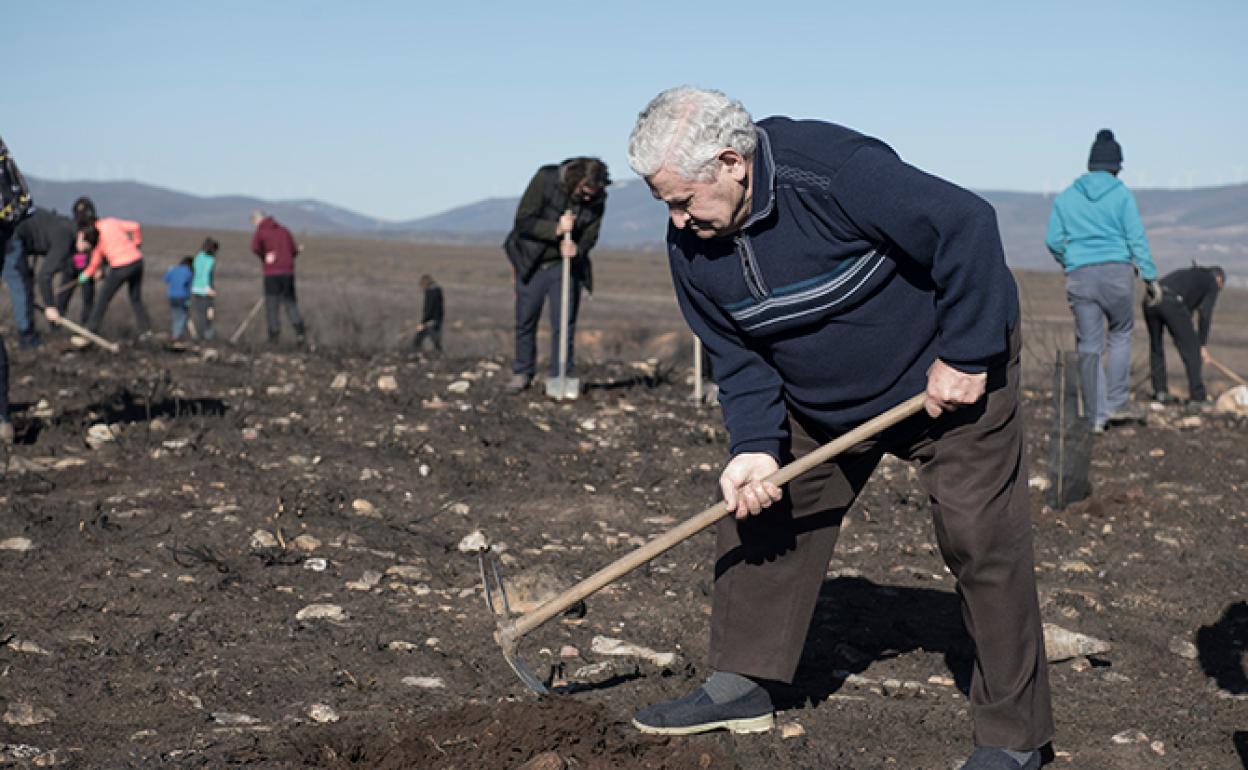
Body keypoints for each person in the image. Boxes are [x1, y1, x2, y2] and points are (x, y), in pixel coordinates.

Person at [625, 87, 1052, 770]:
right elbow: (739, 358)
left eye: (683, 200)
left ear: (732, 162)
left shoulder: (830, 171)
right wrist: (756, 450)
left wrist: (968, 352)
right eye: (664, 205)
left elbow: (966, 224)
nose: (676, 221)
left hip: (945, 376)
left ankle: (1014, 737)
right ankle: (742, 683)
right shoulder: (694, 250)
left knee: (980, 537)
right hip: (818, 398)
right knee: (759, 507)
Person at [1045, 129, 1158, 432]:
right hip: (1118, 274)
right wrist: (1149, 276)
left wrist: (1070, 260)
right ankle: (1117, 400)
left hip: (1080, 276)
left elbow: (1053, 239)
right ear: (1116, 166)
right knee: (1120, 334)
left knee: (1089, 345)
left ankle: (1096, 417)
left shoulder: (1067, 196)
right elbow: (1136, 238)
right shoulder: (1121, 194)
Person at [503, 157, 609, 393]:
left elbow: (591, 234)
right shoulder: (545, 179)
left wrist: (578, 249)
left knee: (564, 323)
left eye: (594, 192)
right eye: (585, 191)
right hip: (531, 261)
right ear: (574, 181)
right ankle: (522, 371)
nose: (589, 197)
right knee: (525, 319)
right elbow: (523, 221)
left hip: (565, 265)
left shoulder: (598, 200)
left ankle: (560, 375)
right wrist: (556, 229)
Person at [1143, 264, 1225, 409]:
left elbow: (1186, 312)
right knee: (1192, 349)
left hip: (1150, 298)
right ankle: (1198, 397)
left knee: (1156, 347)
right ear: (1219, 279)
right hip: (1170, 301)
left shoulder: (1190, 275)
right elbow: (1205, 313)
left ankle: (1160, 391)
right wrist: (1202, 345)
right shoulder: (1212, 282)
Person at [75, 196, 153, 338]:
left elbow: (94, 263)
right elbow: (135, 226)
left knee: (103, 298)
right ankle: (146, 330)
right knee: (135, 299)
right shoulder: (110, 222)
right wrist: (136, 243)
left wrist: (84, 276)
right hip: (137, 262)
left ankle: (90, 330)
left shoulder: (95, 238)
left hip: (121, 267)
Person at [22, 207, 93, 329]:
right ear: (81, 236)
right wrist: (50, 306)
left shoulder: (69, 230)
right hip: (16, 237)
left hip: (22, 239)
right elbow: (44, 275)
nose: (85, 251)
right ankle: (27, 336)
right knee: (20, 287)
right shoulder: (65, 239)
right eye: (86, 247)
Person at [249, 210, 305, 344]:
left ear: (256, 220)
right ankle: (300, 332)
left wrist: (265, 256)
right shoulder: (284, 231)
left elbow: (254, 248)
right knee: (290, 303)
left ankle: (274, 337)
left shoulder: (261, 231)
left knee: (272, 304)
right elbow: (293, 250)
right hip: (287, 272)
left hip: (272, 273)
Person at [191, 237, 219, 340]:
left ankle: (201, 334)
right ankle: (205, 335)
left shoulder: (198, 257)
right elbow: (205, 275)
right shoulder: (210, 260)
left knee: (200, 314)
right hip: (205, 291)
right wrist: (208, 289)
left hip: (196, 289)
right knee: (207, 314)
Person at [163, 256, 194, 341]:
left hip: (171, 296)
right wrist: (188, 302)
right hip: (182, 297)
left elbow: (165, 279)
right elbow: (188, 286)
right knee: (182, 317)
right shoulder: (188, 272)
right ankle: (176, 337)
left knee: (175, 316)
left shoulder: (173, 269)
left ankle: (175, 334)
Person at [412, 273, 444, 355]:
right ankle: (439, 354)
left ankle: (414, 353)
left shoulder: (430, 292)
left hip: (430, 320)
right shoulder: (438, 290)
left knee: (418, 339)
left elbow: (429, 308)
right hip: (437, 319)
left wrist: (423, 322)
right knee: (435, 340)